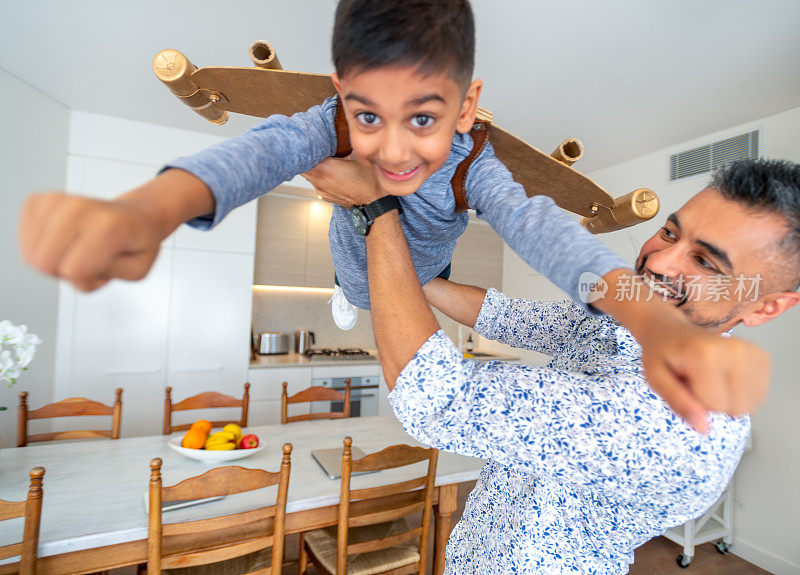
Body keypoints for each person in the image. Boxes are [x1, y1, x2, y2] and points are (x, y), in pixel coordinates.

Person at [18, 0, 768, 426]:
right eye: (367, 115)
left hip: (424, 269)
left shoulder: (480, 164)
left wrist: (657, 321)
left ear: (467, 108)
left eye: (424, 119)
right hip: (360, 263)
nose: (391, 149)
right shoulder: (329, 124)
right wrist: (149, 210)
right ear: (342, 92)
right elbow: (258, 154)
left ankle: (365, 292)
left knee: (400, 273)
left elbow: (547, 234)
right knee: (353, 281)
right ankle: (352, 295)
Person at [306, 157, 800, 573]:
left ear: (764, 307)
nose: (661, 262)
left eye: (707, 263)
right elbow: (506, 316)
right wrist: (393, 271)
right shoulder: (623, 320)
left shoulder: (684, 426)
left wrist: (376, 209)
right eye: (670, 232)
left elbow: (440, 397)